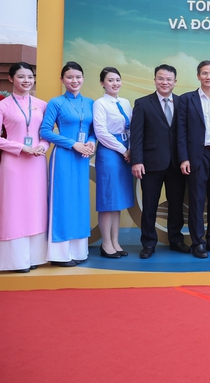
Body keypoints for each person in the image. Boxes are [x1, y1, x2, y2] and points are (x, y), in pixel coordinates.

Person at [130, 64, 189, 259]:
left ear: (175, 82)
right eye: (161, 78)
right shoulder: (142, 103)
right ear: (155, 80)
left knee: (176, 204)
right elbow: (136, 135)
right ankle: (148, 243)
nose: (165, 82)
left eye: (169, 79)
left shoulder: (182, 102)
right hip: (151, 163)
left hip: (177, 164)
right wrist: (137, 161)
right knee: (149, 206)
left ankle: (176, 240)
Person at [40, 61, 95, 267]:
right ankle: (60, 254)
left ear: (83, 79)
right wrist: (73, 144)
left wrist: (91, 142)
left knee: (79, 202)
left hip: (82, 158)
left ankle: (78, 251)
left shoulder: (89, 103)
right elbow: (45, 131)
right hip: (63, 157)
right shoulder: (56, 102)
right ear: (62, 80)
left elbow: (92, 130)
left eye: (78, 77)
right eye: (70, 77)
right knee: (62, 201)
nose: (74, 80)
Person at [177, 60, 210, 259]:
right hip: (196, 156)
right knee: (197, 200)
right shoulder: (186, 99)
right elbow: (181, 131)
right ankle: (198, 242)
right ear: (198, 76)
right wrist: (184, 158)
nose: (209, 77)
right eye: (205, 73)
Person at [0, 62, 49, 272]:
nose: (26, 80)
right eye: (21, 76)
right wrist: (22, 148)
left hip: (36, 163)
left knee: (36, 206)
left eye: (30, 76)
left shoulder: (42, 104)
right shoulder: (3, 105)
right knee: (14, 208)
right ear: (11, 79)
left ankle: (35, 256)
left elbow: (46, 134)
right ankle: (15, 260)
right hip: (13, 163)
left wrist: (42, 147)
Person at [92, 67, 134, 259]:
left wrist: (130, 148)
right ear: (102, 83)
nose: (115, 83)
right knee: (108, 199)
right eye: (110, 80)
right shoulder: (100, 104)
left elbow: (132, 128)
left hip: (126, 150)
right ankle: (106, 243)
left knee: (117, 200)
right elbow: (101, 132)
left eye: (117, 79)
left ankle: (116, 241)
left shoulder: (125, 102)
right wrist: (123, 150)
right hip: (110, 151)